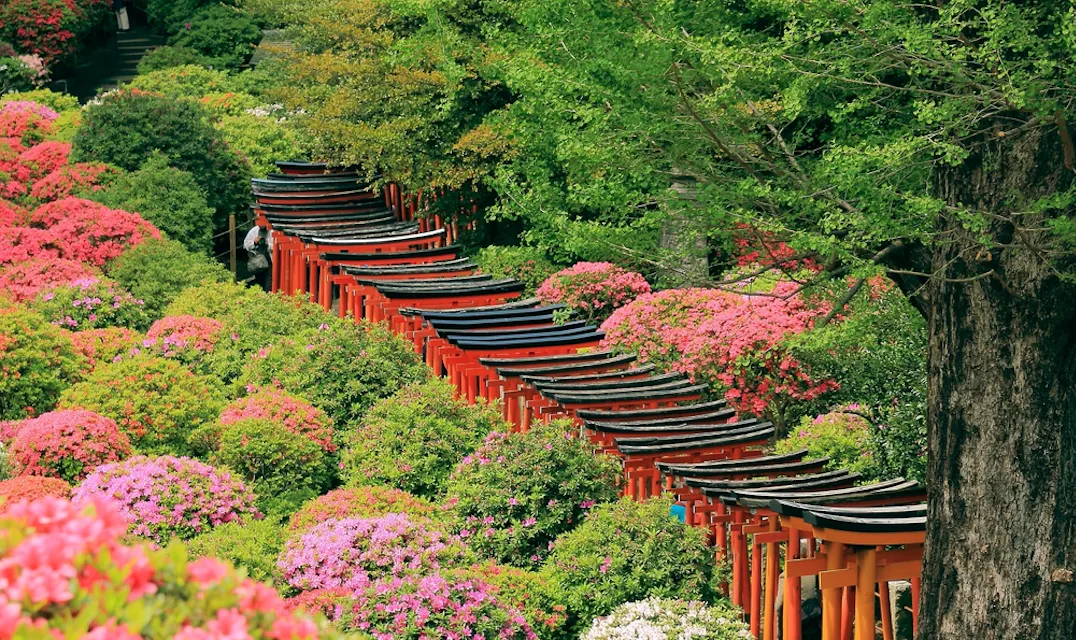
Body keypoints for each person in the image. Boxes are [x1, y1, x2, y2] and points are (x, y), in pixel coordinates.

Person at [243, 224, 273, 291]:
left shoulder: (272, 231)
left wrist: (267, 243)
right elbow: (246, 245)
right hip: (258, 261)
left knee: (269, 281)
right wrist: (254, 242)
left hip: (270, 259)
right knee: (259, 279)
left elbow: (276, 244)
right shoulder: (254, 230)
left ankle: (267, 293)